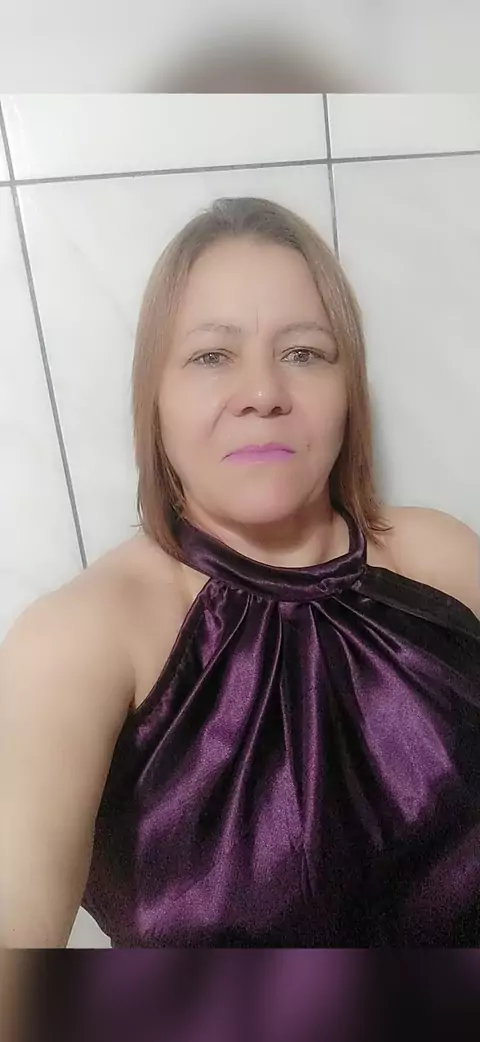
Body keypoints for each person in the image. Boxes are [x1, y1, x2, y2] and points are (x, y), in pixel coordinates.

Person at [1, 196, 479, 953]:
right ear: (154, 399)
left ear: (348, 388)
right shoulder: (81, 640)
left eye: (305, 353)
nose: (263, 394)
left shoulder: (444, 559)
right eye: (211, 356)